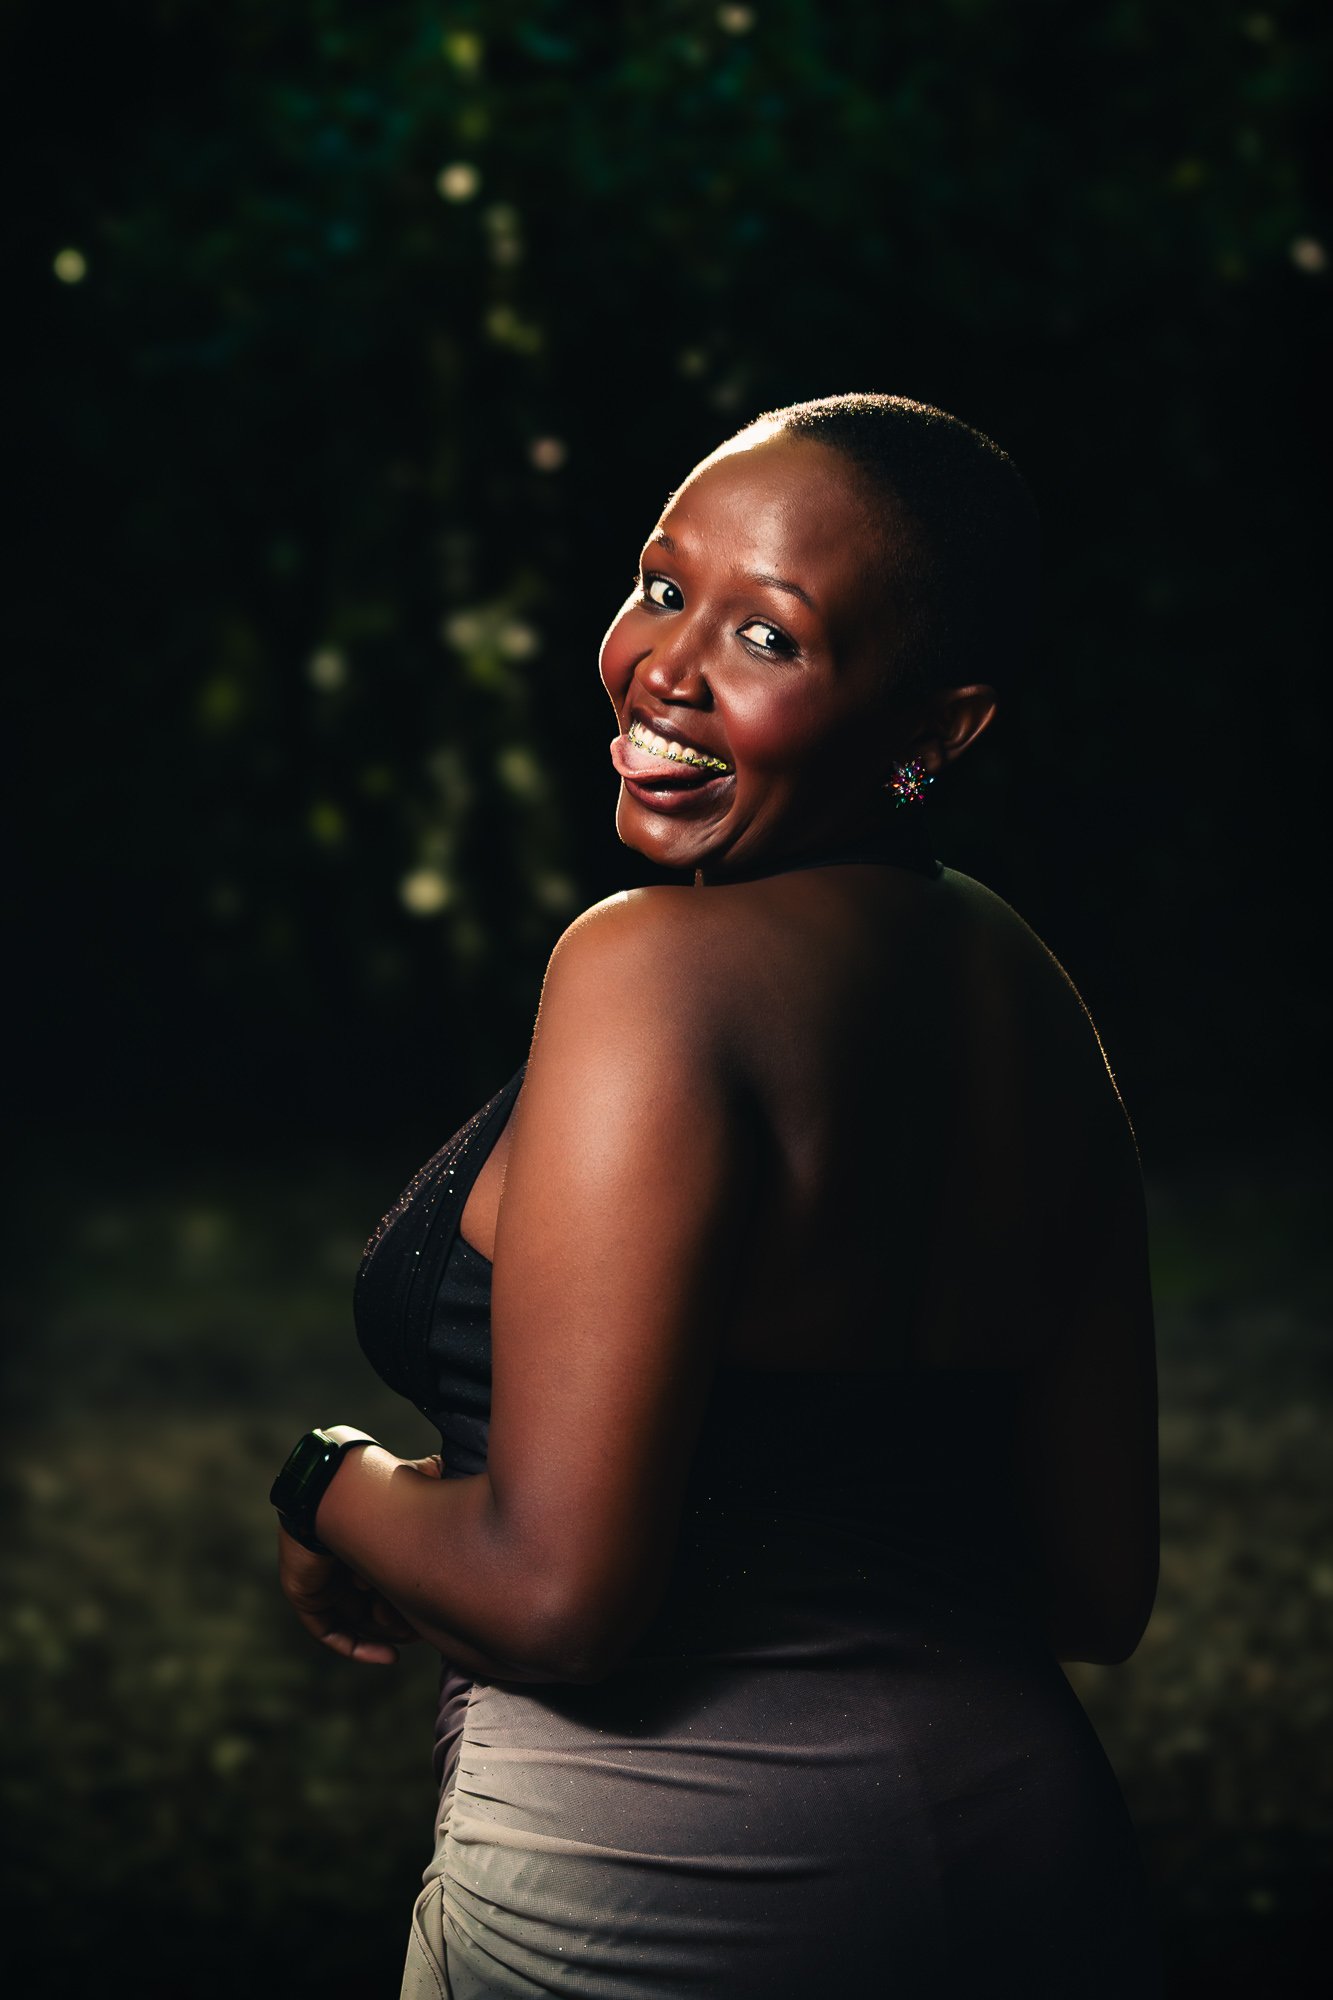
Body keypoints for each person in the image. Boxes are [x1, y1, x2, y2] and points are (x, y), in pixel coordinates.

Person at [271, 392, 1162, 1998]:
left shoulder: (645, 970)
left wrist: (324, 1483)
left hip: (664, 1905)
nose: (663, 667)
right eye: (664, 586)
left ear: (936, 729)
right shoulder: (1030, 993)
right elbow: (1097, 1588)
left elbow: (558, 1603)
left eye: (770, 637)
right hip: (1035, 1874)